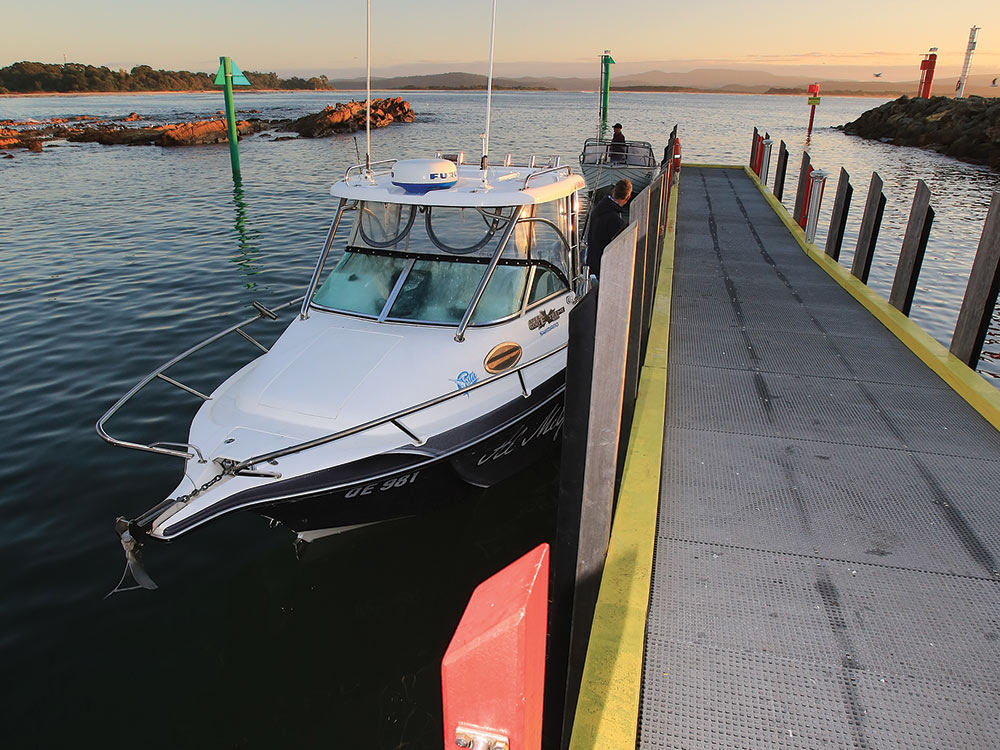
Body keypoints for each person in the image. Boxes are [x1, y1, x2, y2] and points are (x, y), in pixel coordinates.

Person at [586, 179, 632, 279]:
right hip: (604, 267)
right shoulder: (614, 219)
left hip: (591, 262)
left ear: (613, 192)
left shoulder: (598, 209)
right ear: (628, 197)